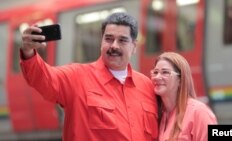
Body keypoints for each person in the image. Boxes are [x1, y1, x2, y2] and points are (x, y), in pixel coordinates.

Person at [20, 12, 158, 141]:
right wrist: (28, 52)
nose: (114, 46)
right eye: (109, 39)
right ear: (101, 41)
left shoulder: (147, 86)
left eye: (122, 40)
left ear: (134, 46)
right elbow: (43, 78)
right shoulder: (77, 77)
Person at [150, 52, 217, 141]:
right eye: (155, 72)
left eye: (165, 72)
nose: (157, 77)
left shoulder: (199, 112)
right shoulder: (159, 115)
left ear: (181, 80)